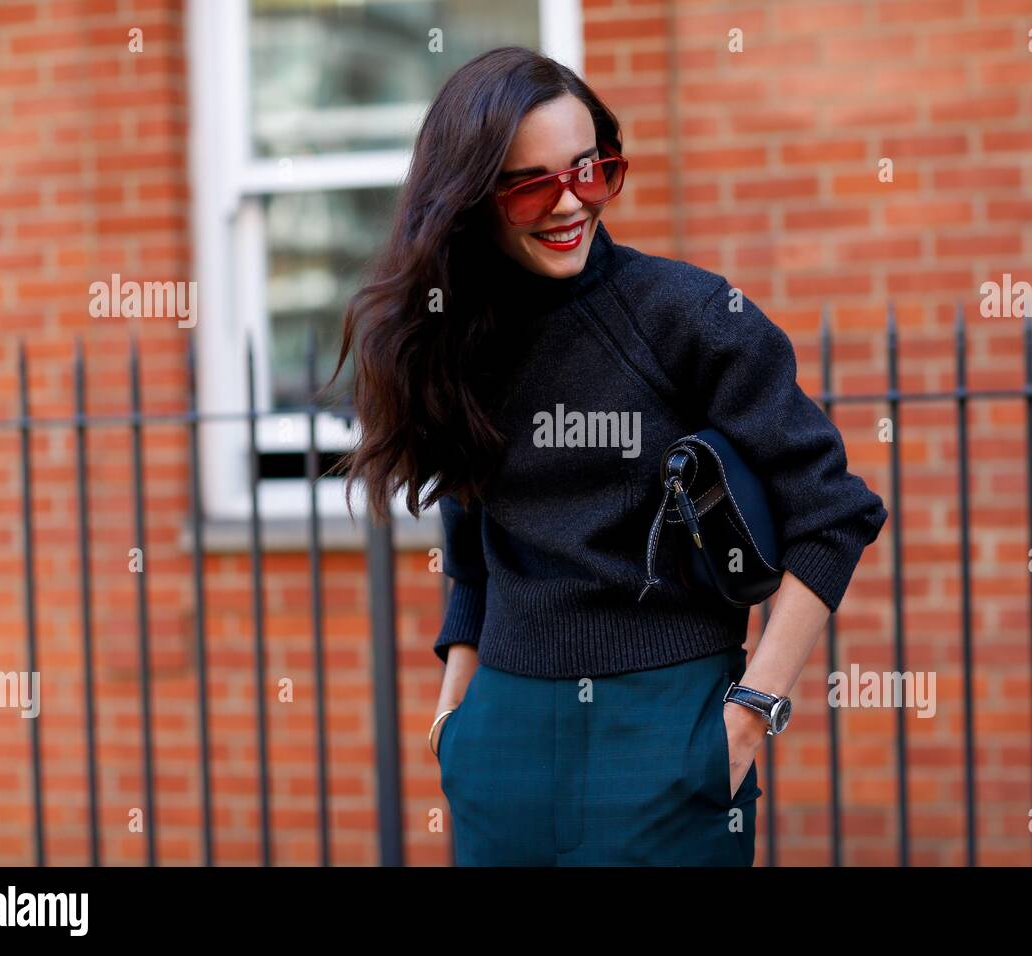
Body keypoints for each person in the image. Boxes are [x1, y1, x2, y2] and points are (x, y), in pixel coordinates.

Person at [333, 46, 887, 866]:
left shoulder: (691, 316)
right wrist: (458, 709)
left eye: (590, 171)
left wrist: (748, 716)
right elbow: (470, 529)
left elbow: (834, 513)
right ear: (471, 199)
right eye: (532, 184)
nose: (570, 203)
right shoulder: (461, 337)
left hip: (670, 733)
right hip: (503, 744)